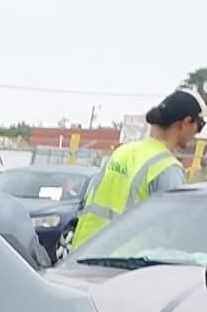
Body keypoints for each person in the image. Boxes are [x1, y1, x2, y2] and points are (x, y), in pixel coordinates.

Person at [69, 90, 203, 249]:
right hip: (124, 263)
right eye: (199, 125)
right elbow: (175, 230)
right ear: (185, 123)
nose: (197, 133)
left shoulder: (123, 151)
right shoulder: (167, 168)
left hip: (83, 253)